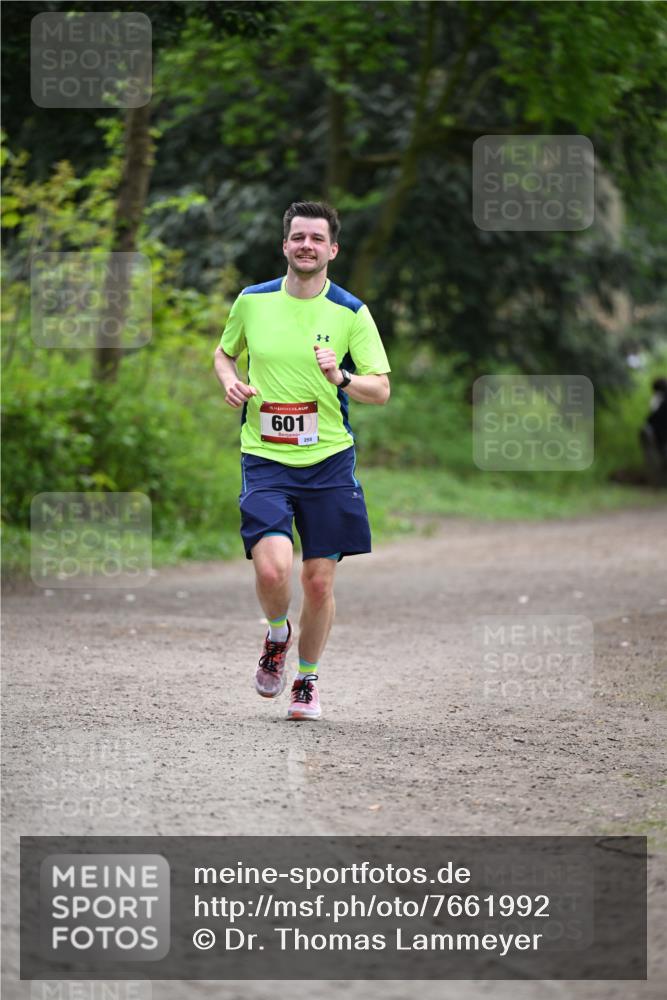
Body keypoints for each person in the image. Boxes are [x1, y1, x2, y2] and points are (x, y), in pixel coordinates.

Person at [213, 201, 391, 721]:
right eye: (298, 237)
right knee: (273, 569)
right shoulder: (252, 301)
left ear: (332, 250)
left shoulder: (351, 312)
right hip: (265, 456)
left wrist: (341, 379)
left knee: (317, 580)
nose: (306, 245)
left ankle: (307, 681)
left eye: (317, 238)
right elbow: (225, 352)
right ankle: (276, 636)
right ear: (285, 245)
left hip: (329, 460)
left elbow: (380, 390)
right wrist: (230, 381)